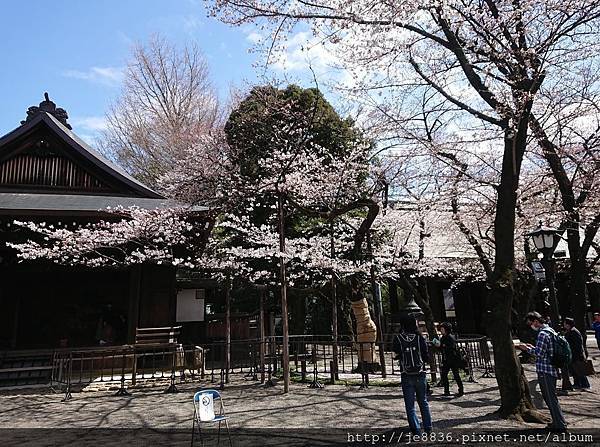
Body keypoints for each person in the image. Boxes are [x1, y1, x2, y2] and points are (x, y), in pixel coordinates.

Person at [517, 312, 567, 433]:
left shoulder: (543, 334)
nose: (530, 326)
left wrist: (526, 348)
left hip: (545, 370)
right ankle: (557, 422)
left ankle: (560, 425)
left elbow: (539, 353)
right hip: (552, 369)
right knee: (551, 398)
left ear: (535, 321)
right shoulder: (550, 330)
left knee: (550, 398)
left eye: (530, 323)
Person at [393, 315, 433, 436]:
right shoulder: (419, 338)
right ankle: (428, 427)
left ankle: (416, 429)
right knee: (423, 401)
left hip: (406, 374)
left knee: (410, 405)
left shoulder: (398, 338)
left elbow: (396, 353)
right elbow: (426, 356)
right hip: (420, 373)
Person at [563, 318, 590, 390]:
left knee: (579, 370)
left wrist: (580, 355)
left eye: (564, 323)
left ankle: (585, 384)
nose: (564, 324)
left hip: (576, 355)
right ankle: (577, 384)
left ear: (568, 324)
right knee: (574, 371)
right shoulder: (570, 331)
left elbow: (578, 345)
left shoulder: (574, 332)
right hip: (573, 355)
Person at [438, 322, 464, 397]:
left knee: (456, 375)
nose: (441, 330)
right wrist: (439, 346)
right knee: (444, 375)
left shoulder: (450, 337)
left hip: (453, 359)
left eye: (442, 329)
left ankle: (461, 390)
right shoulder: (442, 338)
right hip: (446, 359)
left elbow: (451, 348)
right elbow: (441, 348)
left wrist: (443, 346)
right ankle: (446, 391)